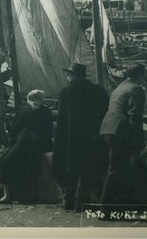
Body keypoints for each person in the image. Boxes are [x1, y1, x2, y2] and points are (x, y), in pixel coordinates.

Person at [52, 62, 109, 211]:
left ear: (71, 76)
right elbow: (104, 114)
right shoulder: (98, 91)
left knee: (71, 168)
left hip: (71, 139)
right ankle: (81, 203)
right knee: (88, 170)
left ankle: (68, 202)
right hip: (92, 138)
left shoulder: (65, 92)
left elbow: (62, 120)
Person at [99, 63, 147, 204]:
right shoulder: (136, 89)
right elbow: (135, 118)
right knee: (116, 169)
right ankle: (106, 207)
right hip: (120, 133)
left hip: (108, 130)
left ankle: (122, 202)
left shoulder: (120, 86)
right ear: (141, 75)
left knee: (120, 168)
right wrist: (140, 144)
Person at [0, 89, 53, 204]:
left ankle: (7, 195)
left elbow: (15, 128)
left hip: (24, 143)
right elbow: (49, 130)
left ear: (29, 99)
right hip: (42, 145)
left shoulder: (24, 110)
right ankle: (31, 195)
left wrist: (12, 143)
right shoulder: (47, 112)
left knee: (5, 162)